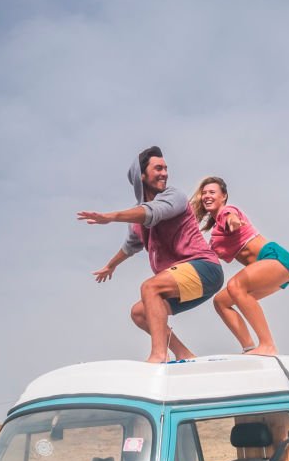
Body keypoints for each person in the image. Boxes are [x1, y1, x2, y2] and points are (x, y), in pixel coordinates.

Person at [78, 147, 223, 363]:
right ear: (141, 176)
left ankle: (158, 355)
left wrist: (113, 216)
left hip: (204, 268)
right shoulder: (138, 222)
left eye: (166, 168)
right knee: (139, 312)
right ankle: (184, 354)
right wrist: (111, 265)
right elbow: (130, 246)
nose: (164, 173)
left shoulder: (174, 196)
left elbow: (153, 212)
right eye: (158, 168)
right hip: (186, 279)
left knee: (150, 287)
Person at [191, 176, 289, 356]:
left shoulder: (228, 211)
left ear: (223, 196)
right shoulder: (216, 236)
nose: (207, 196)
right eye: (204, 193)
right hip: (268, 270)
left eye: (212, 192)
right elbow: (204, 258)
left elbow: (231, 217)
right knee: (221, 301)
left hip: (276, 258)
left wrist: (234, 222)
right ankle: (249, 347)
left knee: (235, 286)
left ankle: (268, 345)